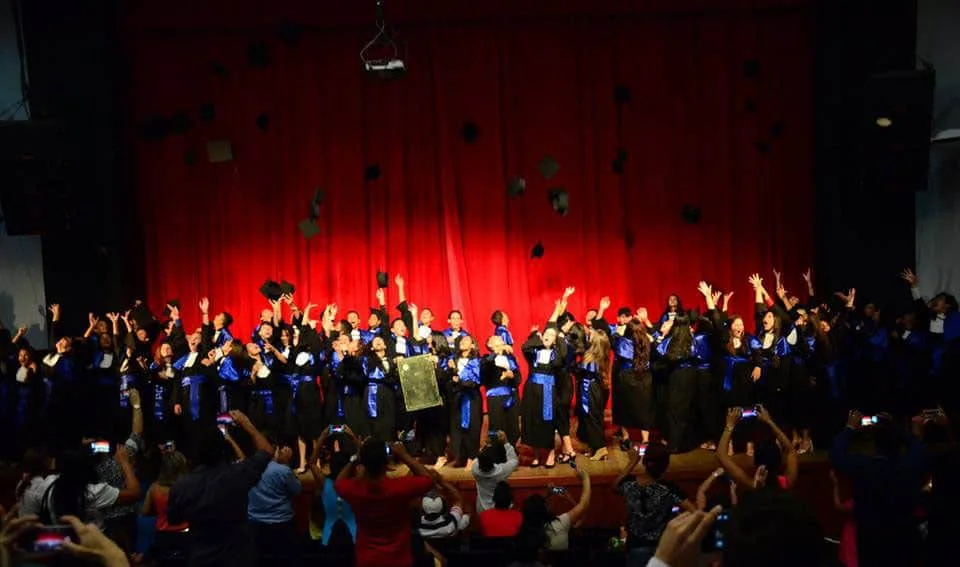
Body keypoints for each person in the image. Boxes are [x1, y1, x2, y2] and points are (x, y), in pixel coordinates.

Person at [168, 410, 274, 567]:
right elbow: (266, 451)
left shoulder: (182, 486)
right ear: (224, 449)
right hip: (238, 559)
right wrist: (247, 424)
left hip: (202, 559)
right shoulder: (237, 475)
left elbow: (173, 519)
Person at [829, 410, 926, 567]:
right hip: (904, 539)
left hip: (871, 541)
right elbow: (919, 449)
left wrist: (849, 427)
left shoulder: (864, 467)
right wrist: (897, 429)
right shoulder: (909, 466)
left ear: (875, 445)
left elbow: (836, 454)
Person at [334, 440, 437, 567]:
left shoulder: (355, 489)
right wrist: (404, 455)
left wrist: (355, 459)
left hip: (367, 560)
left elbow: (338, 483)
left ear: (363, 463)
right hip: (398, 561)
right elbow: (428, 479)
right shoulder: (399, 488)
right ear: (386, 463)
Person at [612, 442, 695, 567]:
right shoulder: (669, 489)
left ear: (644, 462)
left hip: (634, 545)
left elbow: (614, 486)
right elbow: (694, 511)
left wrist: (632, 462)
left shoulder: (629, 484)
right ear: (666, 465)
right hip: (660, 547)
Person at [20, 444, 141, 529]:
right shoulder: (91, 492)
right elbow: (135, 493)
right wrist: (125, 463)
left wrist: (81, 451)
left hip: (61, 547)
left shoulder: (46, 484)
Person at [514, 459, 591, 554]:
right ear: (545, 509)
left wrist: (547, 495)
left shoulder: (523, 533)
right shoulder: (560, 524)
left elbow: (534, 509)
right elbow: (584, 504)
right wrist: (585, 477)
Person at [247, 441, 302, 562]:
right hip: (281, 525)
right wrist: (286, 464)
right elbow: (297, 490)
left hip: (255, 526)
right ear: (273, 448)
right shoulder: (282, 470)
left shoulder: (246, 468)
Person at [142, 450, 190, 560]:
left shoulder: (154, 488)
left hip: (163, 536)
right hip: (186, 535)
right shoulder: (188, 486)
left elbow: (145, 511)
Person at [471, 430, 519, 513]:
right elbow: (514, 460)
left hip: (482, 510)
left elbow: (480, 456)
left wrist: (487, 445)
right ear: (493, 462)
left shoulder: (474, 469)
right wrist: (506, 442)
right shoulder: (500, 471)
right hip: (501, 510)